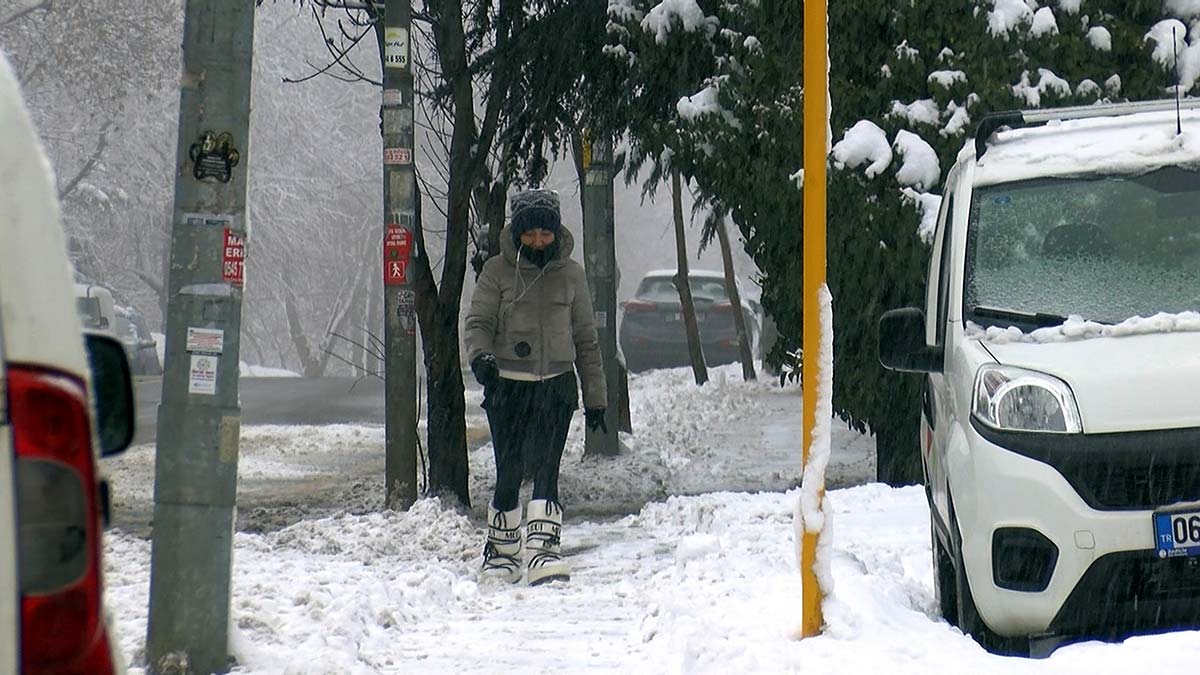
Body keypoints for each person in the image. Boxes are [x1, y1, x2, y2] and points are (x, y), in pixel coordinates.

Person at [464, 188, 608, 585]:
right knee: (509, 469)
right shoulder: (496, 272)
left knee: (547, 469)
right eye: (531, 234)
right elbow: (478, 323)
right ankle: (502, 553)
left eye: (546, 233)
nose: (539, 241)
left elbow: (586, 339)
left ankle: (544, 551)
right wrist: (482, 358)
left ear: (556, 232)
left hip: (556, 387)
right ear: (518, 232)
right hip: (508, 387)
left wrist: (596, 398)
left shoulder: (571, 275)